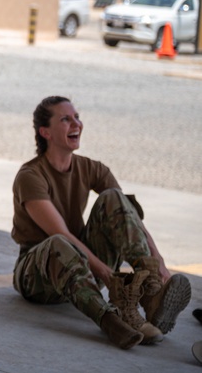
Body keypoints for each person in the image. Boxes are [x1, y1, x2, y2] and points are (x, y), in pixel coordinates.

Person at [11, 96, 192, 350]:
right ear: (45, 132)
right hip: (38, 275)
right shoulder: (30, 176)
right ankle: (110, 320)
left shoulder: (92, 168)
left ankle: (151, 296)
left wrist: (158, 262)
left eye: (77, 117)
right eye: (65, 119)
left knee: (114, 198)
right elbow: (61, 234)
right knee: (58, 242)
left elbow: (129, 218)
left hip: (82, 271)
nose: (76, 123)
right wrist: (109, 277)